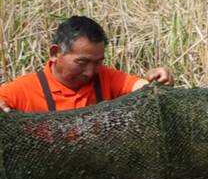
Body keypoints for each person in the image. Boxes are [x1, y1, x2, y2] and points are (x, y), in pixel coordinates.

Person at [0, 16, 173, 113]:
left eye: (98, 62)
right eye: (81, 62)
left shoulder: (106, 77)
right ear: (55, 53)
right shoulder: (23, 90)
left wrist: (160, 78)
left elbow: (144, 87)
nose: (90, 72)